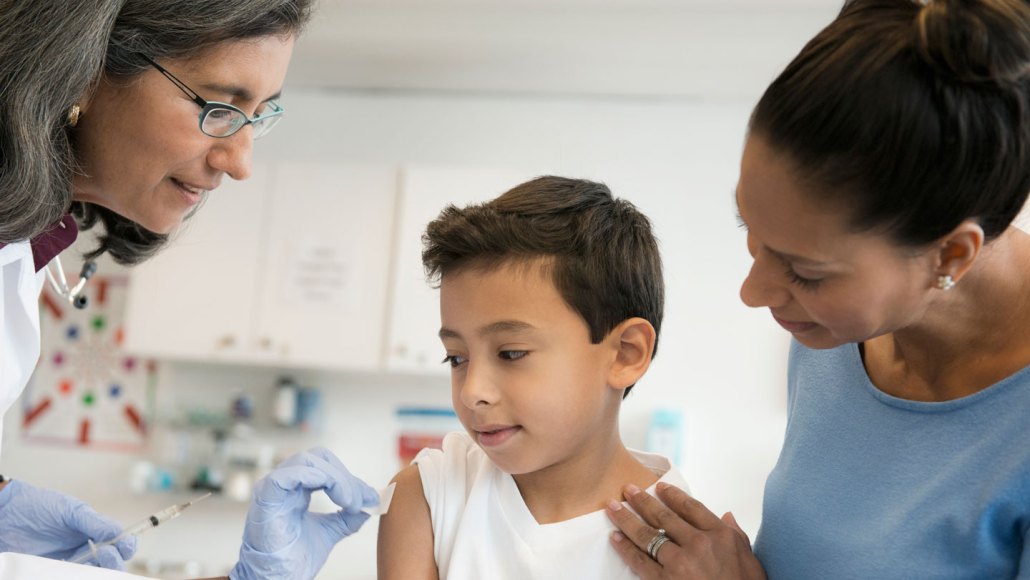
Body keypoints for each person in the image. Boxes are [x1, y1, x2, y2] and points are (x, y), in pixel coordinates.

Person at [604, 0, 1030, 578]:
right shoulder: (836, 330)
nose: (753, 293)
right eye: (749, 231)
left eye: (805, 272)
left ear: (950, 254)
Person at [0, 1, 378, 578]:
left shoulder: (26, 246)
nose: (240, 161)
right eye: (221, 107)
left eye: (258, 115)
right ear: (86, 68)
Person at [377, 176, 691, 579]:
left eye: (511, 354)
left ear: (625, 354)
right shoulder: (429, 496)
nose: (472, 392)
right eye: (456, 358)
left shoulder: (685, 550)